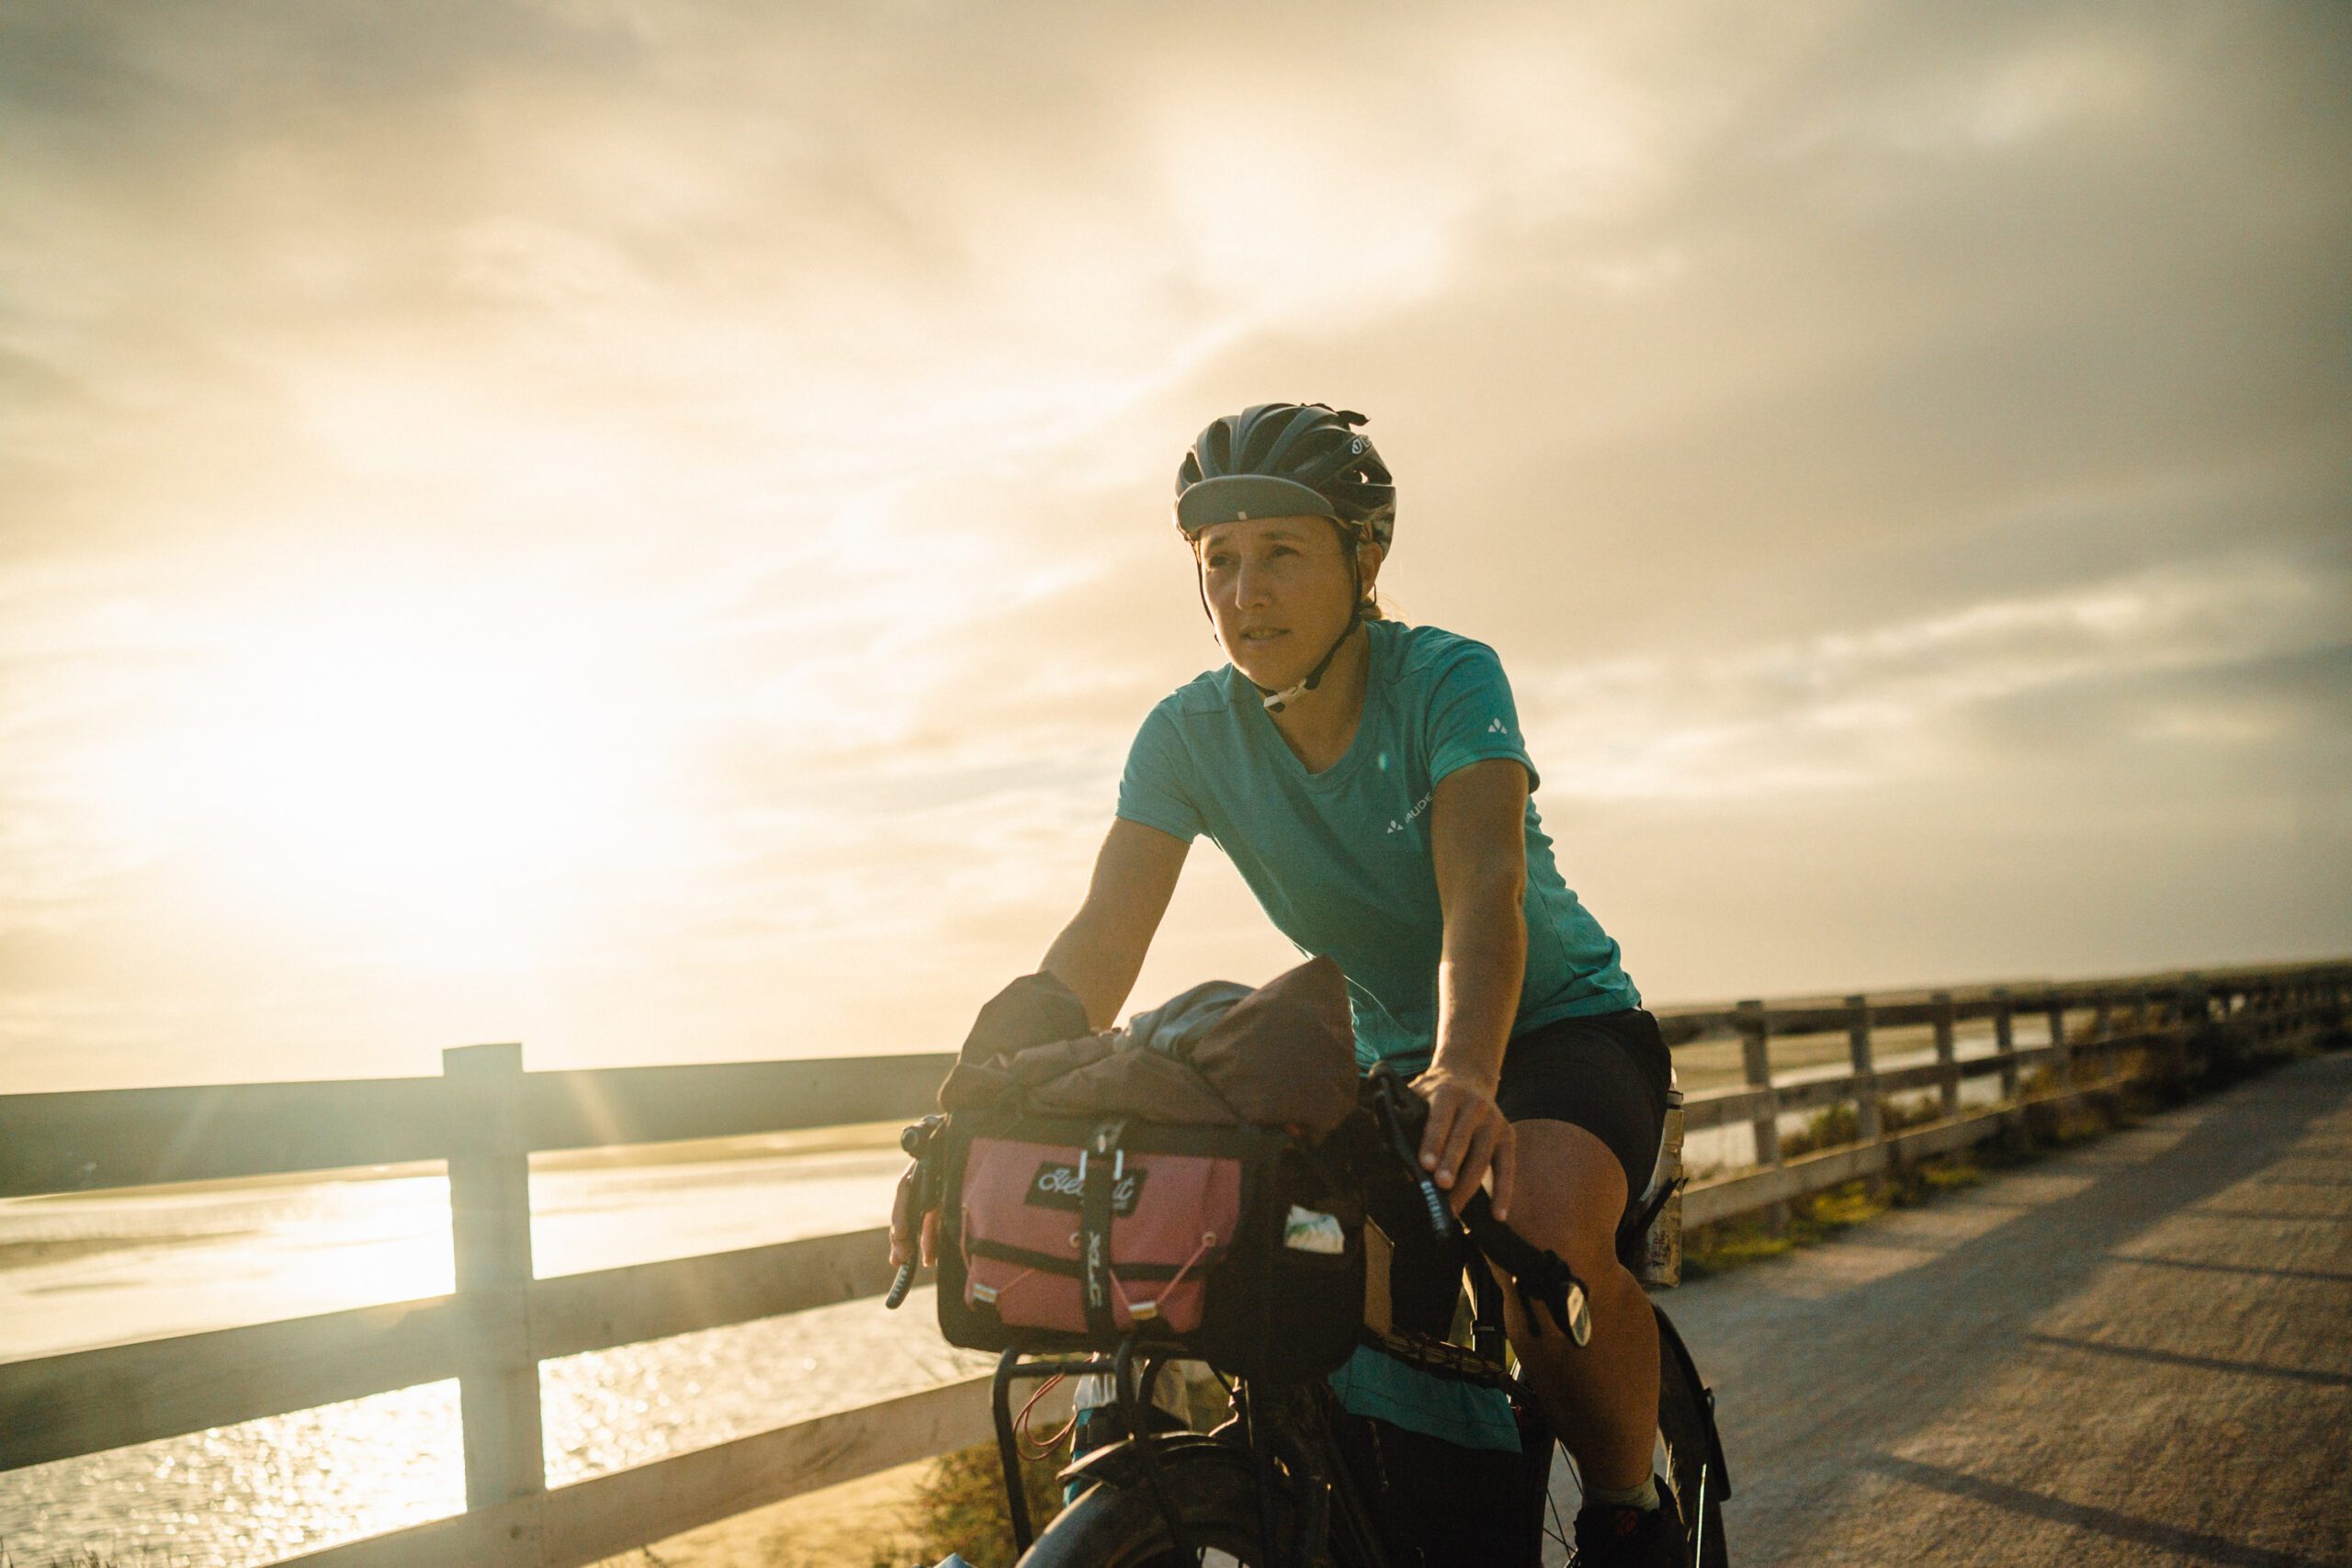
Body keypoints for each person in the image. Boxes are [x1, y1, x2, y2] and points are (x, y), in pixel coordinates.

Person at [1034, 401, 1681, 1566]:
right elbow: (1100, 939)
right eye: (1218, 561)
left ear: (1364, 556)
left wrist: (1468, 1069)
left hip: (1557, 1029)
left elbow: (1482, 889)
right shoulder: (1185, 736)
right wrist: (985, 1088)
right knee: (1307, 1291)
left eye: (1281, 552)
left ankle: (1630, 1509)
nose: (1244, 593)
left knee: (1536, 1239)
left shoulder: (1445, 677)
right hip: (1389, 1066)